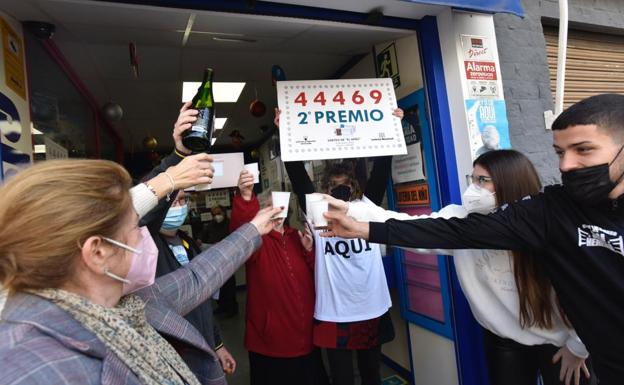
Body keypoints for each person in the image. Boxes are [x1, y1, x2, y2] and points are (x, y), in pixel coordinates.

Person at [322, 93, 624, 385]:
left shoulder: (541, 224)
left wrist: (577, 346)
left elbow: (586, 295)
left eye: (583, 150)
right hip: (506, 342)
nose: (565, 165)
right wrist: (358, 221)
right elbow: (435, 229)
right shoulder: (543, 212)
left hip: (562, 344)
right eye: (559, 153)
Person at [0, 156, 282, 385]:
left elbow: (198, 277)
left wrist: (254, 227)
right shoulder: (33, 371)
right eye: (134, 228)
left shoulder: (126, 306)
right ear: (98, 252)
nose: (143, 237)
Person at [279, 107, 403, 385]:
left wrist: (392, 127)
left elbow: (382, 170)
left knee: (372, 374)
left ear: (355, 186)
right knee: (342, 378)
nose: (340, 188)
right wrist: (283, 130)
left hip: (371, 305)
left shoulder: (366, 207)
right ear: (325, 187)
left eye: (346, 184)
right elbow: (297, 173)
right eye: (334, 185)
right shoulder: (316, 208)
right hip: (335, 310)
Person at [230, 169, 327, 385]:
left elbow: (316, 277)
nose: (276, 213)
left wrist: (309, 251)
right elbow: (240, 237)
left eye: (280, 208)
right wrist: (246, 197)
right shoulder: (256, 241)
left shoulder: (296, 237)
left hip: (307, 338)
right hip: (271, 343)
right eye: (269, 208)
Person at [151, 190, 236, 376]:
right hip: (172, 354)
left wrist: (217, 345)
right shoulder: (148, 245)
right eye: (171, 201)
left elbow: (203, 299)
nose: (179, 206)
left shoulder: (187, 242)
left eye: (182, 200)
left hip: (203, 347)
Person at [202, 205, 238, 317]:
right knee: (218, 287)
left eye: (218, 213)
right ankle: (221, 307)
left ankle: (231, 309)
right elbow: (203, 236)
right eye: (214, 214)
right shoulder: (210, 225)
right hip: (215, 260)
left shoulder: (230, 224)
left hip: (228, 259)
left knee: (229, 287)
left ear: (224, 213)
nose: (217, 216)